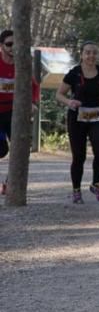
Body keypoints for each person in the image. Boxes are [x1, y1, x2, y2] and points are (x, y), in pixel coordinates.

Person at [55, 41, 99, 204]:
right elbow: (59, 94)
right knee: (79, 156)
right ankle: (76, 190)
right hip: (77, 118)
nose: (91, 56)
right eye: (87, 52)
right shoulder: (74, 73)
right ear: (81, 55)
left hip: (96, 116)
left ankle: (96, 184)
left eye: (94, 53)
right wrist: (69, 102)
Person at [0, 29, 41, 196]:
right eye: (9, 44)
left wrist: (32, 103)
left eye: (16, 44)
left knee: (21, 149)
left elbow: (34, 86)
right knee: (1, 149)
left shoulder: (23, 64)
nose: (12, 48)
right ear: (1, 46)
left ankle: (10, 184)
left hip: (14, 113)